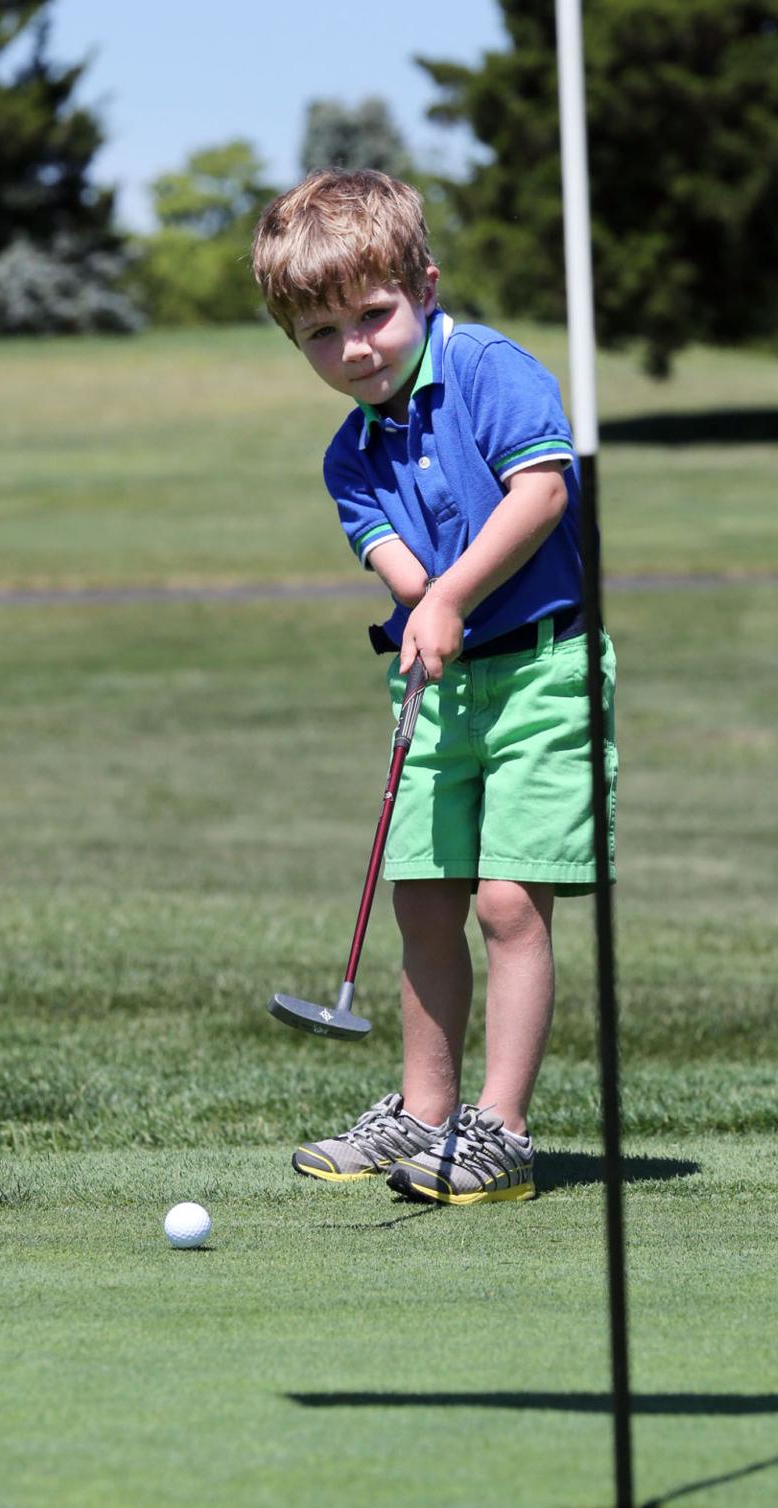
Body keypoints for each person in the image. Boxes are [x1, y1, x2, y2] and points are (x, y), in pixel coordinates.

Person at [251, 168, 616, 1205]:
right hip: (441, 688)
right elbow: (398, 568)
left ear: (424, 282)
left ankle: (497, 1131)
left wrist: (449, 595)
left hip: (546, 671)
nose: (354, 347)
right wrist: (430, 605)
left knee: (508, 900)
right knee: (424, 898)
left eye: (373, 315)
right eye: (322, 334)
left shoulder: (490, 369)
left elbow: (540, 494)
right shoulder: (349, 456)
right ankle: (421, 1114)